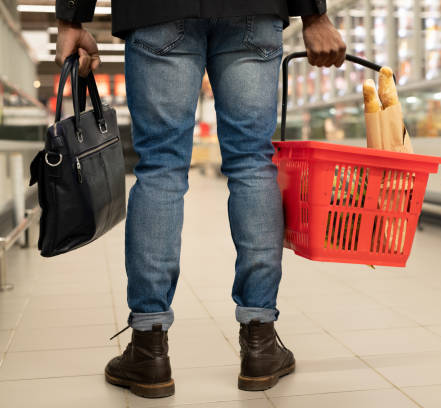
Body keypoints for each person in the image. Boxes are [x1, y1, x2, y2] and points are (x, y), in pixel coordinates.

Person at [54, 0, 346, 399]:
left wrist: (71, 17)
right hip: (253, 9)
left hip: (157, 11)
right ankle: (260, 341)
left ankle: (148, 347)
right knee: (252, 164)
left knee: (160, 168)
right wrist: (314, 13)